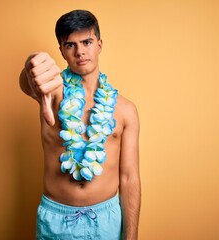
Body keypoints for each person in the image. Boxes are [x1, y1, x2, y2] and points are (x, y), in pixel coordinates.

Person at [19, 9, 141, 239]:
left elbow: (129, 178)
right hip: (56, 221)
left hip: (106, 221)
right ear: (62, 52)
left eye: (87, 41)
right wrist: (31, 67)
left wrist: (131, 235)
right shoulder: (52, 94)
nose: (80, 51)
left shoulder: (126, 110)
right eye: (70, 45)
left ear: (100, 44)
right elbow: (30, 83)